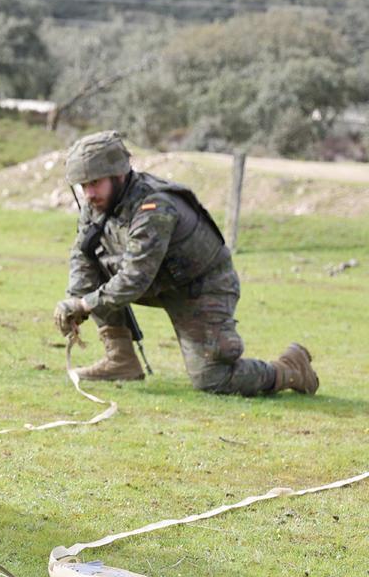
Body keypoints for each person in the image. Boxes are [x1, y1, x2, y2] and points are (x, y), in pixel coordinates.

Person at [54, 130, 318, 397]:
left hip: (201, 287)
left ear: (118, 174)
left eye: (95, 183)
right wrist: (74, 299)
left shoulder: (154, 207)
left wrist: (84, 304)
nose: (89, 193)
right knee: (92, 275)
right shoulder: (97, 205)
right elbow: (83, 253)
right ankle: (120, 359)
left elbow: (134, 279)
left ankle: (289, 369)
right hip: (158, 281)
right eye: (83, 186)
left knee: (213, 379)